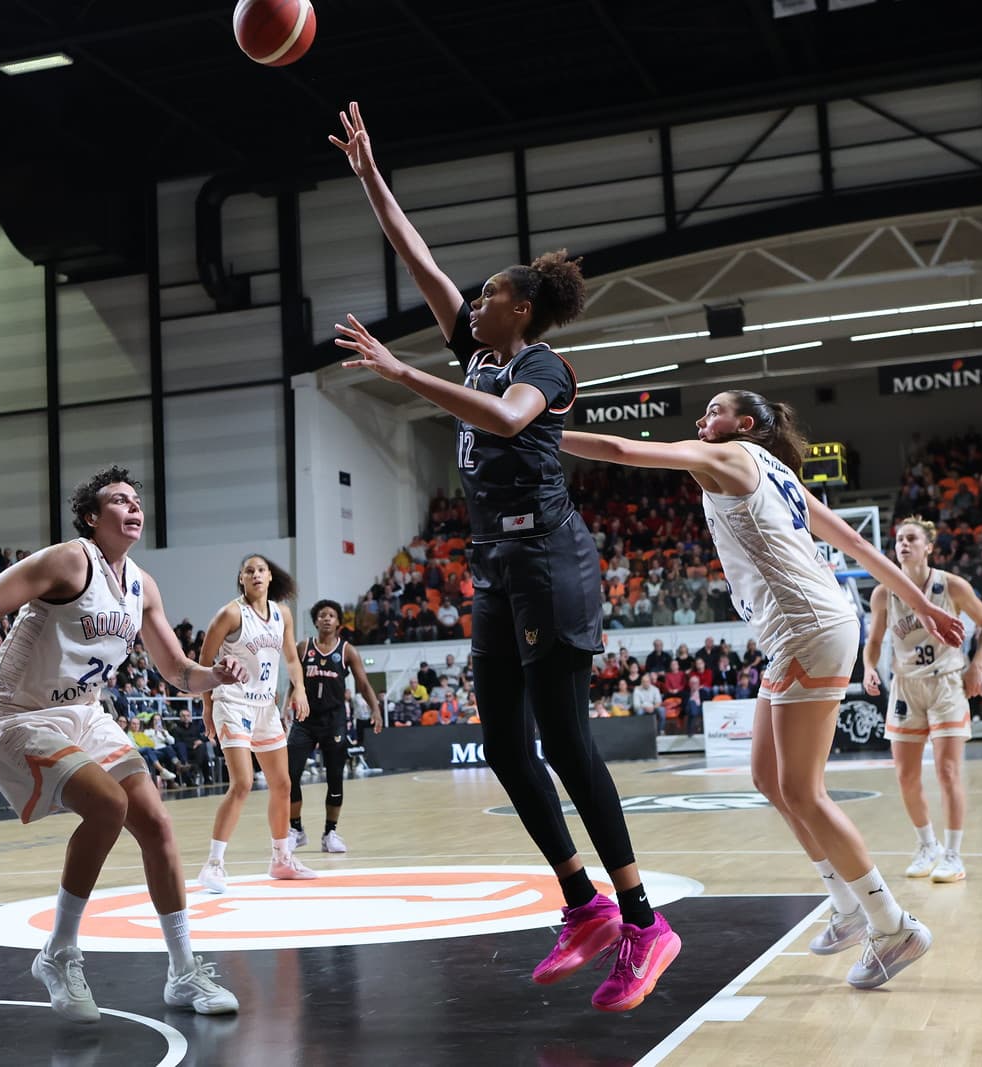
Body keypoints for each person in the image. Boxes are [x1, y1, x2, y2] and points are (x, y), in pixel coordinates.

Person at [330, 100, 680, 1013]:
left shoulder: (543, 370)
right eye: (476, 295)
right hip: (494, 567)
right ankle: (583, 903)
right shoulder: (479, 353)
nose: (473, 301)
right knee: (501, 743)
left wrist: (402, 374)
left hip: (552, 561)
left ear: (521, 308)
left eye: (487, 294)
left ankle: (645, 921)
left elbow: (511, 421)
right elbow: (422, 258)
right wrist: (371, 175)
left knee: (566, 742)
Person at [562, 389, 964, 990]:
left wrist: (533, 432)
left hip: (809, 627)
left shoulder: (733, 457)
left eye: (713, 412)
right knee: (768, 780)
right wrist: (922, 606)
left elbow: (621, 448)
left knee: (804, 790)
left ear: (744, 425)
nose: (702, 421)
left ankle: (892, 924)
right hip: (796, 630)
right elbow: (854, 547)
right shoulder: (777, 472)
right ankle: (849, 904)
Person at [0, 467, 243, 1022]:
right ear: (92, 516)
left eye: (137, 501)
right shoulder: (68, 559)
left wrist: (217, 675)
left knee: (156, 825)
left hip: (84, 714)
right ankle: (59, 952)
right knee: (108, 805)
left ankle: (184, 973)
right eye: (119, 500)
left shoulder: (143, 586)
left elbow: (179, 672)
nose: (134, 508)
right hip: (17, 713)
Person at [861, 516, 982, 887]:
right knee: (905, 775)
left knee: (947, 771)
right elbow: (873, 642)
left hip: (947, 684)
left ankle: (953, 854)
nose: (903, 544)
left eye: (911, 538)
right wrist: (869, 668)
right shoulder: (883, 592)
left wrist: (977, 665)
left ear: (928, 547)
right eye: (899, 539)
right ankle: (927, 846)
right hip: (905, 687)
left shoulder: (950, 586)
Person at [196, 554, 317, 892]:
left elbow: (291, 657)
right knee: (243, 783)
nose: (256, 574)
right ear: (241, 579)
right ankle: (214, 865)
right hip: (232, 704)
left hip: (265, 706)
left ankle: (281, 859)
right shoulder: (231, 613)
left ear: (269, 577)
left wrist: (300, 690)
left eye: (261, 569)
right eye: (249, 570)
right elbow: (204, 663)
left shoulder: (283, 614)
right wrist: (207, 708)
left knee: (282, 784)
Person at [289, 599, 382, 854]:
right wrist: (288, 703)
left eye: (331, 615)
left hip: (334, 721)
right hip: (304, 719)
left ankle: (330, 833)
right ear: (316, 621)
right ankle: (296, 830)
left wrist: (375, 709)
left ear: (338, 622)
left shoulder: (347, 650)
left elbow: (363, 684)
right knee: (290, 775)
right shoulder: (303, 647)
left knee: (335, 779)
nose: (327, 618)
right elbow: (295, 681)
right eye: (322, 615)